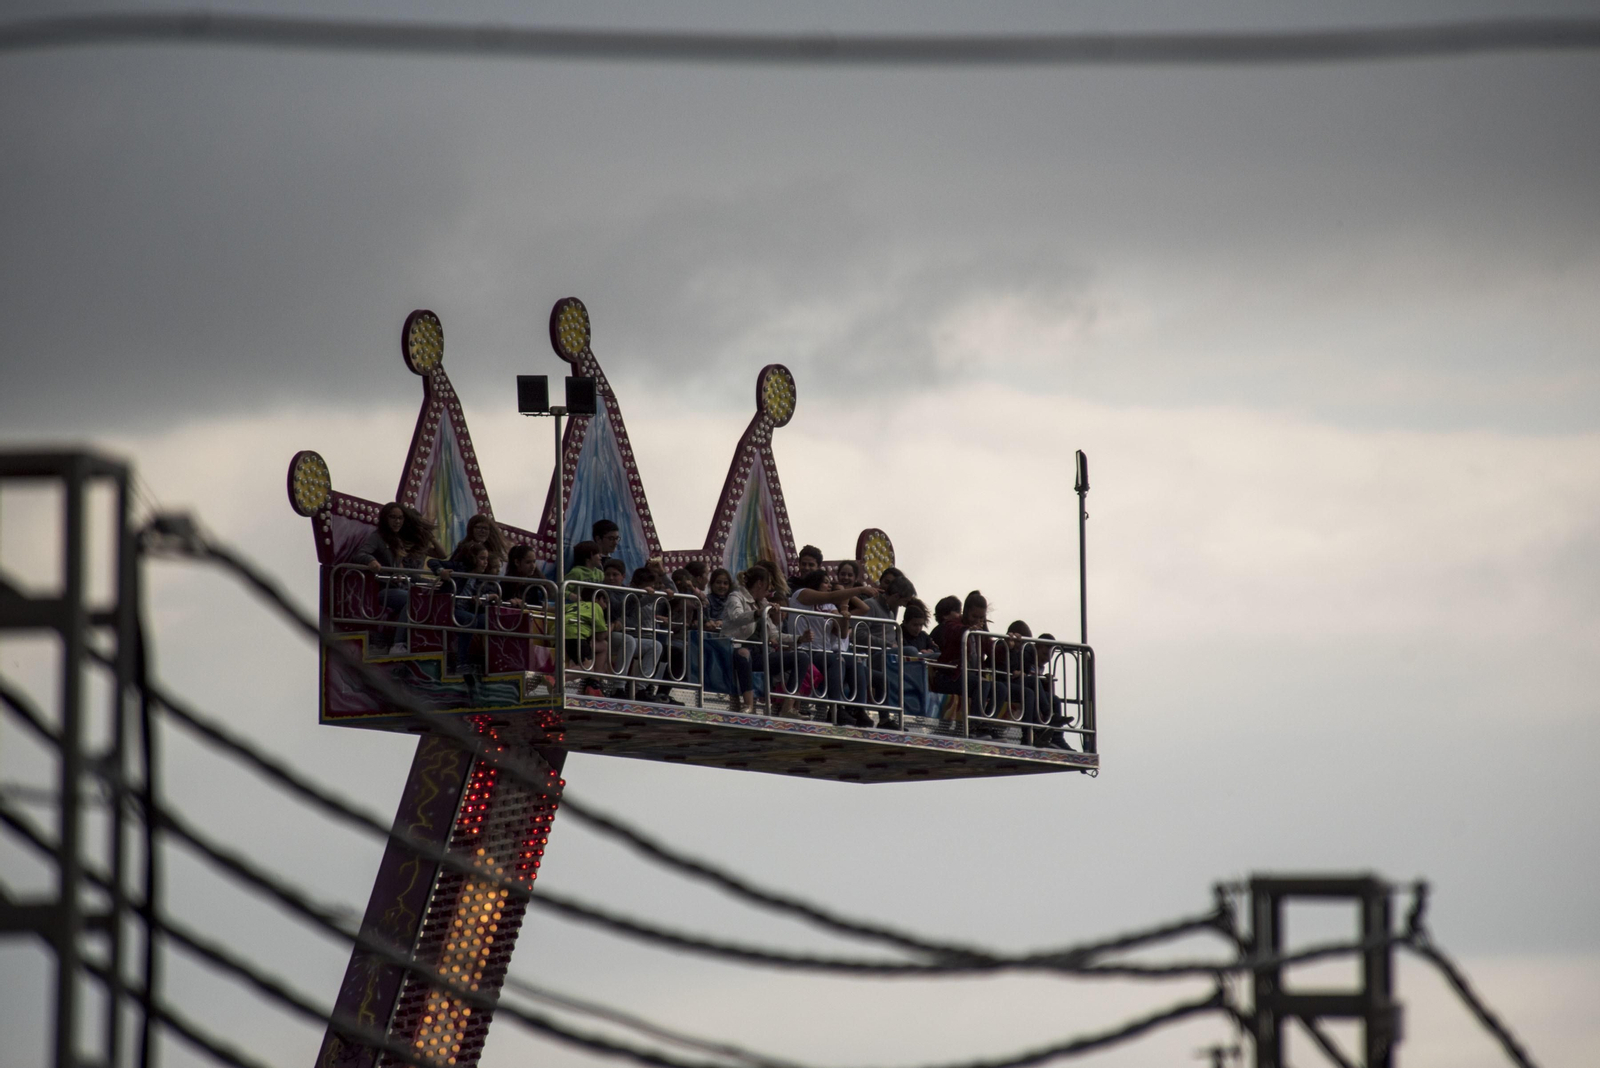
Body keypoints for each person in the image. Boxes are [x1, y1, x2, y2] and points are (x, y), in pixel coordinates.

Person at [352, 502, 440, 655]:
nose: (397, 521)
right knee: (412, 600)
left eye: (400, 518)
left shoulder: (399, 539)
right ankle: (398, 644)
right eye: (393, 517)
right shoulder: (378, 537)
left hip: (400, 586)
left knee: (425, 598)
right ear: (385, 518)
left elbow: (439, 555)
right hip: (384, 589)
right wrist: (371, 561)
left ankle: (421, 642)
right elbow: (360, 554)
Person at [703, 568, 755, 711]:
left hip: (732, 642)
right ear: (712, 584)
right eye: (718, 582)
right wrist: (711, 623)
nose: (722, 586)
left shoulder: (733, 600)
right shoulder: (707, 601)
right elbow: (704, 619)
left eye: (725, 583)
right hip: (713, 642)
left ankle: (747, 701)